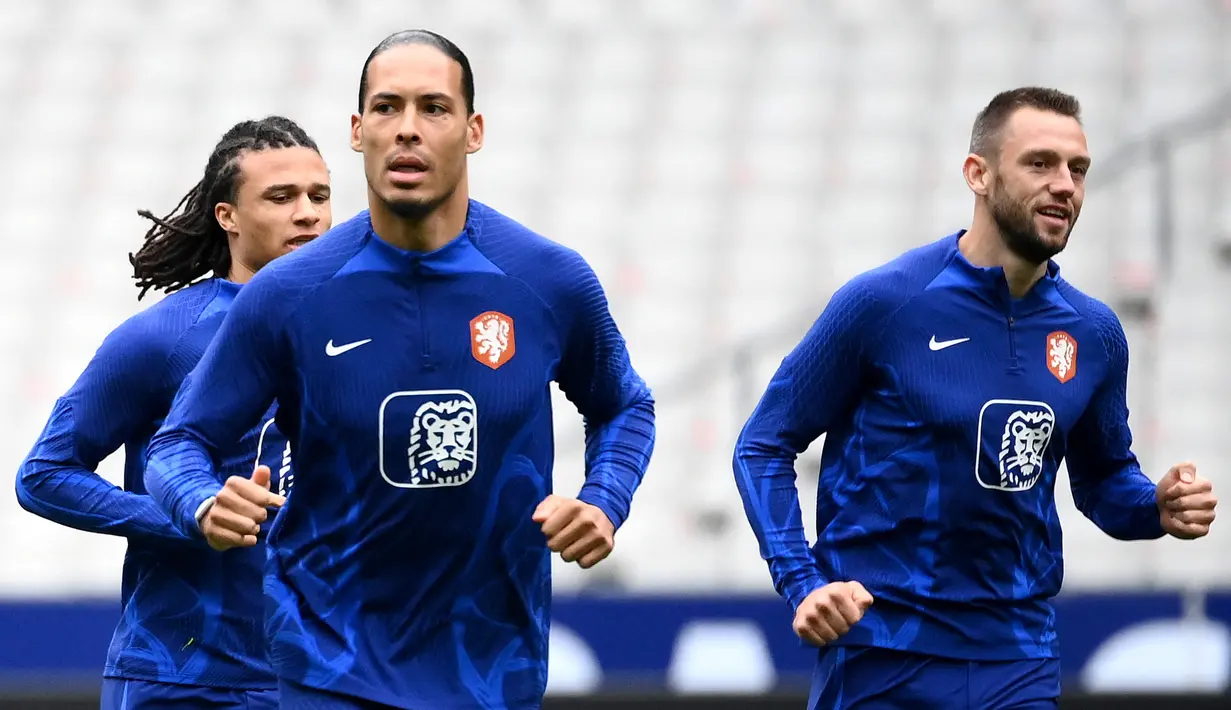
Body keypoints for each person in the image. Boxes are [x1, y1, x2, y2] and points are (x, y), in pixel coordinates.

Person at [143, 29, 656, 710]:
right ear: (358, 131)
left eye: (433, 108)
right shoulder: (290, 294)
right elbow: (178, 444)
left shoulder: (547, 282)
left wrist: (603, 499)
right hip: (327, 669)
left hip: (490, 674)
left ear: (473, 131)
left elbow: (624, 405)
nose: (407, 129)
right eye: (386, 108)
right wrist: (203, 500)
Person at [732, 86, 1218, 709]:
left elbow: (1102, 483)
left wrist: (1156, 506)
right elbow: (763, 444)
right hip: (883, 650)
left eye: (1078, 169)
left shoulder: (1093, 335)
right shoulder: (885, 304)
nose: (1065, 184)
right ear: (978, 174)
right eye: (1040, 163)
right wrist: (802, 583)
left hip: (1017, 657)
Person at [16, 116, 332, 710]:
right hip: (181, 680)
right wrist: (191, 516)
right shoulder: (164, 336)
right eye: (281, 197)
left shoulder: (362, 330)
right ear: (227, 216)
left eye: (319, 195)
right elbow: (44, 474)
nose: (308, 213)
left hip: (319, 679)